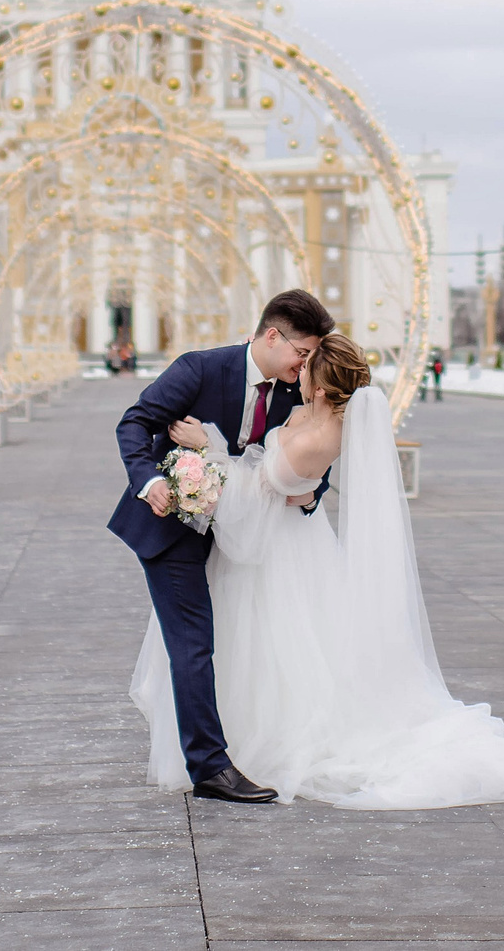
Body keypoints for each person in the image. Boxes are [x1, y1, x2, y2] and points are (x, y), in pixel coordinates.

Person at [130, 333, 504, 808]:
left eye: (306, 367)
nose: (298, 372)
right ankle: (228, 741)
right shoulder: (305, 414)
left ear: (322, 388)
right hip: (287, 538)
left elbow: (255, 492)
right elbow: (284, 480)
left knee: (282, 642)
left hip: (280, 550)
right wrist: (299, 489)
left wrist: (209, 447)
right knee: (266, 644)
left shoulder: (318, 437)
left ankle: (272, 738)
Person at [108, 287, 333, 806]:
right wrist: (148, 481)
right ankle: (210, 767)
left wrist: (309, 493)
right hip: (173, 524)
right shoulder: (201, 369)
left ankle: (259, 741)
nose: (305, 365)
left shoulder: (294, 390)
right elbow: (134, 423)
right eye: (302, 353)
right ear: (272, 336)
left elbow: (309, 458)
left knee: (250, 642)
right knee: (194, 643)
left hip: (248, 537)